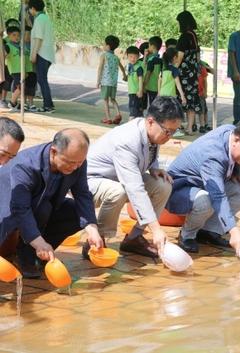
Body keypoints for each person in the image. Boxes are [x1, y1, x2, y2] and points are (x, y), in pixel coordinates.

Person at [0, 129, 104, 278]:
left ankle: (34, 254)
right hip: (10, 210)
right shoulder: (26, 165)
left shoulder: (77, 160)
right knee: (43, 208)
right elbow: (20, 209)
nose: (75, 167)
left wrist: (92, 229)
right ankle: (31, 250)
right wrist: (38, 241)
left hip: (44, 208)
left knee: (75, 213)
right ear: (54, 152)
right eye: (70, 162)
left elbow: (82, 193)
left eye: (79, 163)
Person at [86, 96, 182, 258]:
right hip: (91, 182)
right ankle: (96, 240)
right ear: (151, 121)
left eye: (174, 132)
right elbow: (134, 189)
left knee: (163, 185)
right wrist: (156, 229)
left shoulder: (149, 131)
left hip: (118, 178)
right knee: (119, 191)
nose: (170, 137)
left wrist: (154, 167)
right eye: (168, 131)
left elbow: (149, 150)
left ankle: (134, 238)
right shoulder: (127, 140)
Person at [167, 122, 240, 253]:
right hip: (181, 189)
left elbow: (233, 157)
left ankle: (208, 231)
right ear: (236, 140)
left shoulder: (231, 132)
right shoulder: (213, 154)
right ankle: (186, 236)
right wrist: (233, 230)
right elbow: (217, 196)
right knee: (205, 201)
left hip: (204, 184)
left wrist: (236, 173)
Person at [176, 11, 201, 135]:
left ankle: (179, 127)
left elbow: (180, 57)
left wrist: (174, 68)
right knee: (191, 101)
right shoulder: (193, 35)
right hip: (193, 73)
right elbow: (197, 56)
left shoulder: (184, 37)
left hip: (184, 74)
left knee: (181, 99)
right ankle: (190, 128)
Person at [29, 0, 56, 113]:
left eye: (30, 9)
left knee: (42, 80)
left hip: (42, 53)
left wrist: (34, 54)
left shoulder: (39, 20)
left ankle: (47, 106)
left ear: (33, 8)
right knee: (43, 79)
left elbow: (38, 38)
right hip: (48, 53)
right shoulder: (46, 18)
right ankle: (49, 104)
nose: (30, 11)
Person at [97, 35, 126, 125]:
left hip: (105, 82)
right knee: (113, 99)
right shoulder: (116, 58)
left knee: (105, 100)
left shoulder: (104, 55)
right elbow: (122, 68)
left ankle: (108, 118)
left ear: (108, 46)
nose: (103, 45)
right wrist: (124, 75)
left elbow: (100, 68)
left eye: (104, 44)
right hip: (113, 83)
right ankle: (118, 114)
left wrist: (98, 81)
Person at [143, 36, 163, 107]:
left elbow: (148, 73)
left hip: (150, 87)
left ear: (153, 46)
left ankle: (152, 118)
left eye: (149, 45)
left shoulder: (152, 60)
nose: (148, 47)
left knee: (152, 106)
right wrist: (145, 56)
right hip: (156, 86)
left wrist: (144, 85)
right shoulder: (159, 59)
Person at [125, 46, 144, 120]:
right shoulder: (130, 66)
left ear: (138, 56)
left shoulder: (138, 67)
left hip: (136, 92)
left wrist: (140, 90)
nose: (133, 59)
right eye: (130, 56)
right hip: (131, 92)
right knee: (138, 112)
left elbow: (140, 79)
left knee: (133, 111)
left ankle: (129, 127)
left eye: (135, 57)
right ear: (127, 56)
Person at [198, 60, 214, 133]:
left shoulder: (202, 64)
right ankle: (200, 125)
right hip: (195, 92)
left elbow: (213, 72)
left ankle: (205, 124)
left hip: (201, 92)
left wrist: (205, 91)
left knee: (204, 109)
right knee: (199, 110)